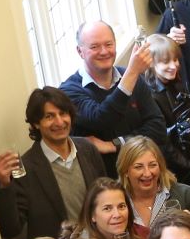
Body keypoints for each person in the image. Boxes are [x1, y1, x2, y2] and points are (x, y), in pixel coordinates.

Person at [0, 87, 107, 239]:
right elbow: (11, 229)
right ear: (36, 123)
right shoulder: (25, 167)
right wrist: (4, 185)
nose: (59, 122)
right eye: (49, 116)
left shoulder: (88, 150)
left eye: (63, 114)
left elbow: (106, 198)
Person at [60, 21, 168, 152]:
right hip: (103, 171)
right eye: (94, 47)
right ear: (80, 51)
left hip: (142, 167)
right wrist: (132, 72)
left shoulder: (132, 77)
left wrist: (116, 144)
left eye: (109, 44)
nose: (104, 51)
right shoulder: (68, 92)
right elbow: (101, 119)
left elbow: (158, 127)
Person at [116, 135, 190, 239]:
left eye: (153, 165)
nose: (147, 173)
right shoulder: (116, 202)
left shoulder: (186, 194)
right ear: (125, 171)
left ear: (160, 166)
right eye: (138, 167)